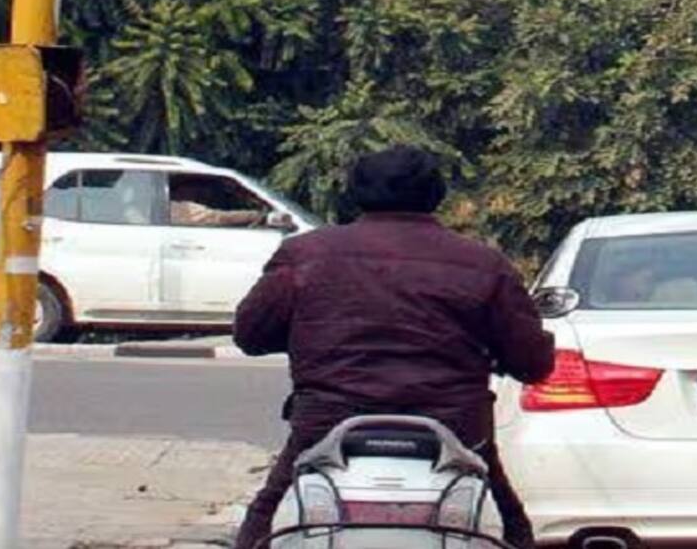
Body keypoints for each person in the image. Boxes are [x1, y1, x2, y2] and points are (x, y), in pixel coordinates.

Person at [231, 147, 556, 549]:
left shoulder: (305, 254)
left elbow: (250, 335)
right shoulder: (483, 263)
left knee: (266, 521)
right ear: (436, 194)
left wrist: (308, 337)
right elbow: (532, 363)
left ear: (355, 193)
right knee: (511, 528)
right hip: (457, 428)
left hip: (326, 424)